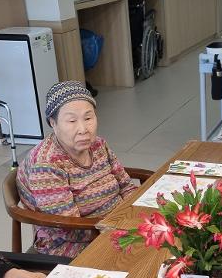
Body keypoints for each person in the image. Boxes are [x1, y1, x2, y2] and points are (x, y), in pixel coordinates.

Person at [17, 81, 138, 258]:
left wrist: (138, 215)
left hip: (116, 224)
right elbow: (69, 228)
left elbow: (126, 186)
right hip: (72, 243)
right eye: (72, 121)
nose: (83, 129)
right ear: (53, 123)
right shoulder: (46, 164)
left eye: (88, 118)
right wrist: (120, 229)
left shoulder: (98, 144)